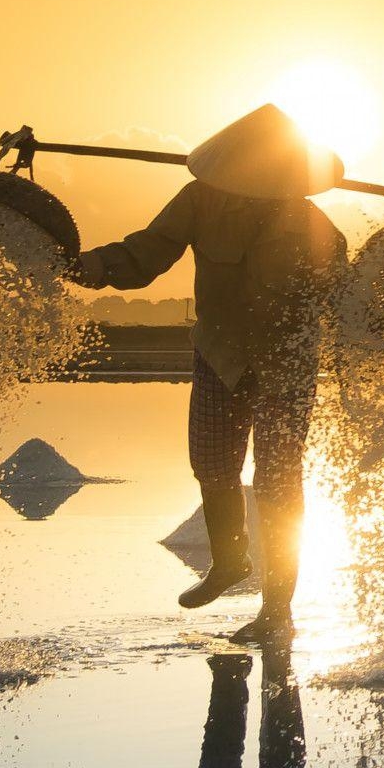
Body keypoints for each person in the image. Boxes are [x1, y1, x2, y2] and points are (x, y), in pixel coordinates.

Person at [67, 105, 347, 645]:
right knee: (213, 464)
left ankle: (276, 611)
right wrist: (88, 266)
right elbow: (144, 254)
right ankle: (229, 561)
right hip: (219, 352)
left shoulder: (310, 222)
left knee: (278, 481)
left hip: (286, 361)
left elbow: (343, 292)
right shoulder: (199, 201)